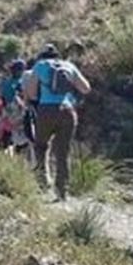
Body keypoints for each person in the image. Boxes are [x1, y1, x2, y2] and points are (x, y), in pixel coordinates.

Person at [23, 42, 91, 202]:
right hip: (67, 111)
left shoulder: (40, 66)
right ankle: (62, 191)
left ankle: (43, 181)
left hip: (46, 110)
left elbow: (32, 93)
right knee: (63, 152)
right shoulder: (68, 66)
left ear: (41, 55)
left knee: (40, 146)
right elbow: (86, 88)